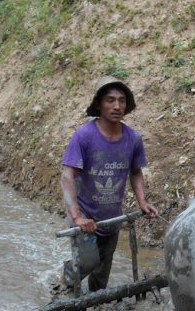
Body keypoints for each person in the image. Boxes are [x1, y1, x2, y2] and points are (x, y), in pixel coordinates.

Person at [60, 80, 158, 291]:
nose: (117, 106)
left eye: (122, 101)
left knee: (102, 272)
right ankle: (68, 280)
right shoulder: (84, 136)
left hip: (112, 216)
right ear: (99, 105)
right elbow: (67, 176)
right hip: (85, 214)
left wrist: (142, 201)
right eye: (110, 100)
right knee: (88, 262)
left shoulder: (133, 139)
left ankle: (97, 308)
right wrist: (77, 217)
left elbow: (135, 171)